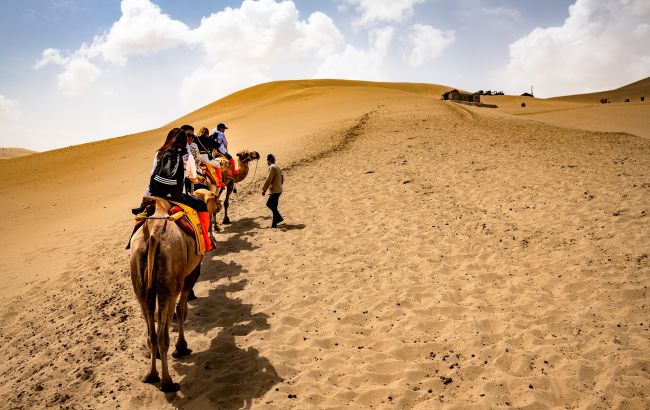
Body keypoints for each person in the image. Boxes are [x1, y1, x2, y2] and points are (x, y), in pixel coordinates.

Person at [136, 127, 214, 251]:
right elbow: (193, 177)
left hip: (155, 193)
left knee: (140, 214)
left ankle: (132, 239)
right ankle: (206, 241)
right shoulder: (187, 156)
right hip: (177, 196)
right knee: (201, 206)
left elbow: (152, 174)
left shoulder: (159, 153)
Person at [262, 153, 284, 228]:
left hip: (275, 190)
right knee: (274, 206)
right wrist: (280, 185)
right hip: (279, 189)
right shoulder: (277, 166)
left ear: (268, 161)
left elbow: (269, 179)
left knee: (269, 204)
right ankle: (274, 224)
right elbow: (282, 177)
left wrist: (264, 189)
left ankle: (279, 218)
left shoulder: (271, 167)